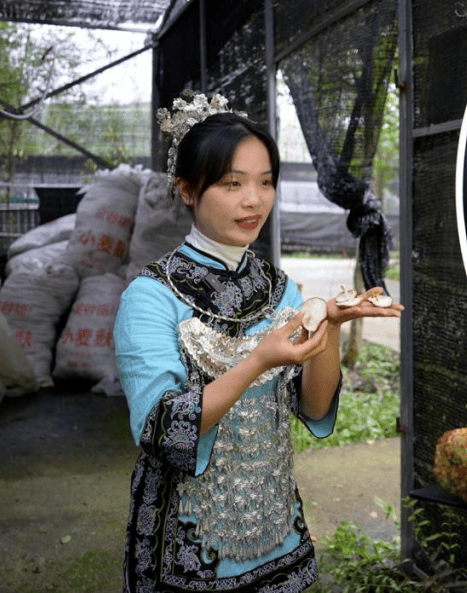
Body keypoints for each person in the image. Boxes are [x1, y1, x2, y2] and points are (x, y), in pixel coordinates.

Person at [114, 94, 402, 592]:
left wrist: (328, 325)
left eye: (265, 182)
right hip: (187, 551)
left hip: (276, 538)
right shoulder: (150, 298)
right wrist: (258, 359)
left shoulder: (278, 288)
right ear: (186, 190)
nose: (254, 200)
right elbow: (161, 429)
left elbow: (312, 407)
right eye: (232, 184)